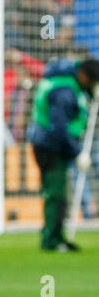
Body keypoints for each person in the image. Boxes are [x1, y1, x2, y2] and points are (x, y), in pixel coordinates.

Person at [28, 57, 98, 252]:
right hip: (50, 147)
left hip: (49, 144)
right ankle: (52, 240)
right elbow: (59, 127)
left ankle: (56, 237)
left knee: (57, 193)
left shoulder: (64, 82)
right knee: (56, 194)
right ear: (84, 76)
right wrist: (77, 153)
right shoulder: (64, 91)